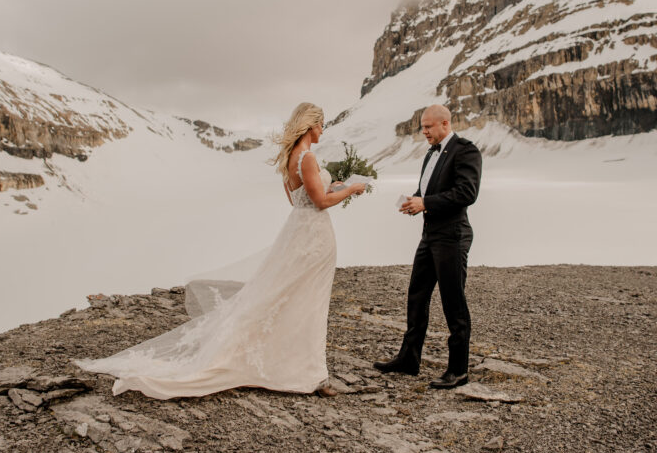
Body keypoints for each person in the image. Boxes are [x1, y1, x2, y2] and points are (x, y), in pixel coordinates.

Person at [74, 102, 365, 398]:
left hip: (298, 232)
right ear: (310, 125)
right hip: (312, 236)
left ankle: (303, 368)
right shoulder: (307, 157)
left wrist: (332, 187)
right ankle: (310, 374)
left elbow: (299, 200)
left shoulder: (291, 158)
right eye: (321, 123)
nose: (323, 129)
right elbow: (319, 203)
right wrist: (350, 190)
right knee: (308, 301)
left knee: (289, 297)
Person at [373, 104, 482, 389]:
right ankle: (409, 359)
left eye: (428, 127)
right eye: (422, 127)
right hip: (430, 235)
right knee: (416, 296)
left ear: (445, 123)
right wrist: (416, 201)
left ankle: (458, 370)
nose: (424, 132)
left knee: (453, 302)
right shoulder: (431, 153)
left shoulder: (465, 150)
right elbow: (429, 190)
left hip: (452, 236)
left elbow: (467, 192)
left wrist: (427, 203)